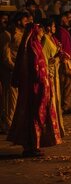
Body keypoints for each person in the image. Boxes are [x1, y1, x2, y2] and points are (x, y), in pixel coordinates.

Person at [7, 24, 62, 157]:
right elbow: (36, 69)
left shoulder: (35, 45)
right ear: (36, 32)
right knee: (35, 114)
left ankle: (33, 146)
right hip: (35, 87)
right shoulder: (32, 48)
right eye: (40, 31)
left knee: (35, 114)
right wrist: (43, 81)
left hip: (36, 86)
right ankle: (31, 146)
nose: (42, 33)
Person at [1, 13, 28, 132]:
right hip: (10, 71)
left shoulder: (22, 34)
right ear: (18, 21)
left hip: (19, 69)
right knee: (10, 98)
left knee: (16, 98)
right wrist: (13, 66)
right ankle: (8, 124)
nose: (27, 22)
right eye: (25, 20)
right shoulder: (8, 35)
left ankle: (13, 123)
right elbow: (6, 56)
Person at [40, 19, 65, 136]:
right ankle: (50, 131)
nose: (55, 28)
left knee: (56, 101)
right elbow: (44, 59)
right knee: (51, 102)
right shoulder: (45, 39)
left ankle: (57, 129)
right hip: (50, 74)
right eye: (53, 26)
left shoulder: (51, 39)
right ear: (48, 27)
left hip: (55, 73)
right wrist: (56, 58)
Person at [55, 11, 71, 114]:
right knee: (65, 84)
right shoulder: (60, 31)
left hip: (70, 61)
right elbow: (60, 47)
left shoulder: (66, 31)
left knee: (69, 85)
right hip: (65, 62)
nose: (69, 20)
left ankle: (66, 105)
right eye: (67, 18)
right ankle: (64, 106)